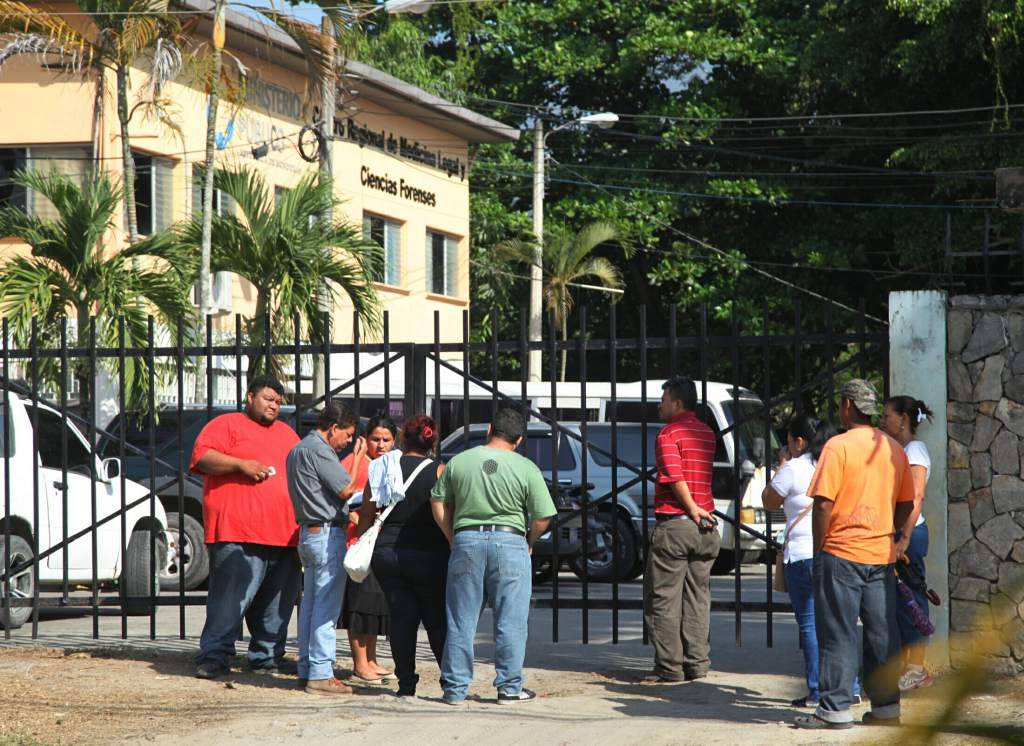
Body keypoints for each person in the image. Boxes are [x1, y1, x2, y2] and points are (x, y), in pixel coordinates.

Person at [794, 379, 915, 730]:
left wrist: (820, 550)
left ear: (848, 406)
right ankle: (886, 709)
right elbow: (906, 503)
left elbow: (823, 506)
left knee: (839, 632)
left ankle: (834, 710)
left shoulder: (837, 447)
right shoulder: (893, 449)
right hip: (880, 556)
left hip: (841, 554)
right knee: (882, 634)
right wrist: (891, 536)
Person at [431, 408, 556, 705]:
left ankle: (454, 689)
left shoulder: (459, 462)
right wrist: (529, 540)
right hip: (510, 541)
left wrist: (452, 536)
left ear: (488, 429)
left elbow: (438, 500)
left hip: (466, 540)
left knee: (461, 619)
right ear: (519, 439)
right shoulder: (526, 467)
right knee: (511, 621)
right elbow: (543, 516)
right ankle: (510, 688)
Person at [191, 376, 301, 680]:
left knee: (277, 604)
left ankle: (267, 656)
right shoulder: (226, 425)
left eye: (278, 401)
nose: (274, 405)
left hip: (284, 534)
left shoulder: (288, 434)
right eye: (267, 398)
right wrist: (241, 465)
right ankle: (214, 656)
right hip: (237, 531)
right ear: (249, 397)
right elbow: (201, 457)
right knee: (229, 600)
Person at [762, 414, 861, 708]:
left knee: (809, 624)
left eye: (789, 441)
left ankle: (818, 689)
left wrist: (780, 467)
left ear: (799, 441)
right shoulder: (836, 463)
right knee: (840, 623)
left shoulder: (792, 468)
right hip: (835, 551)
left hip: (803, 555)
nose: (788, 446)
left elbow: (769, 501)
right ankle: (851, 687)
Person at [361, 415, 448, 697]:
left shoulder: (381, 468)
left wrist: (364, 540)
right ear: (432, 442)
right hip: (429, 553)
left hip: (387, 552)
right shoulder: (439, 471)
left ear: (401, 439)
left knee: (401, 618)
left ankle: (406, 684)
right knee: (435, 618)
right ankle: (450, 681)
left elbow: (366, 512)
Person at [642, 375, 719, 684]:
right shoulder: (707, 433)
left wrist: (690, 508)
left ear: (676, 402)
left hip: (676, 524)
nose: (659, 406)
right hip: (706, 527)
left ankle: (669, 668)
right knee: (698, 599)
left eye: (663, 400)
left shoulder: (668, 434)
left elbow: (675, 477)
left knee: (663, 599)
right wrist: (700, 511)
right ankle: (697, 664)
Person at [285, 401, 363, 695]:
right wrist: (357, 458)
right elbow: (346, 489)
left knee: (311, 603)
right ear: (334, 428)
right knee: (326, 607)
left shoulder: (297, 449)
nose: (347, 442)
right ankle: (320, 672)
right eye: (347, 435)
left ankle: (307, 667)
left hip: (308, 532)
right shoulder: (320, 450)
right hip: (326, 533)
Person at [880, 395, 935, 691]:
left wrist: (904, 537)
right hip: (900, 534)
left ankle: (917, 668)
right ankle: (907, 666)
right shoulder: (902, 449)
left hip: (908, 536)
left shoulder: (914, 449)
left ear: (903, 419)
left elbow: (916, 498)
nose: (882, 419)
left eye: (887, 415)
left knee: (911, 599)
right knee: (902, 602)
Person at [339, 416, 396, 683]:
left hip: (380, 544)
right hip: (357, 544)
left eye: (386, 440)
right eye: (376, 439)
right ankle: (360, 663)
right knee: (360, 604)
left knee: (376, 604)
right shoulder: (353, 463)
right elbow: (340, 498)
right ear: (365, 439)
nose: (381, 445)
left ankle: (371, 659)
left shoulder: (390, 466)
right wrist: (355, 518)